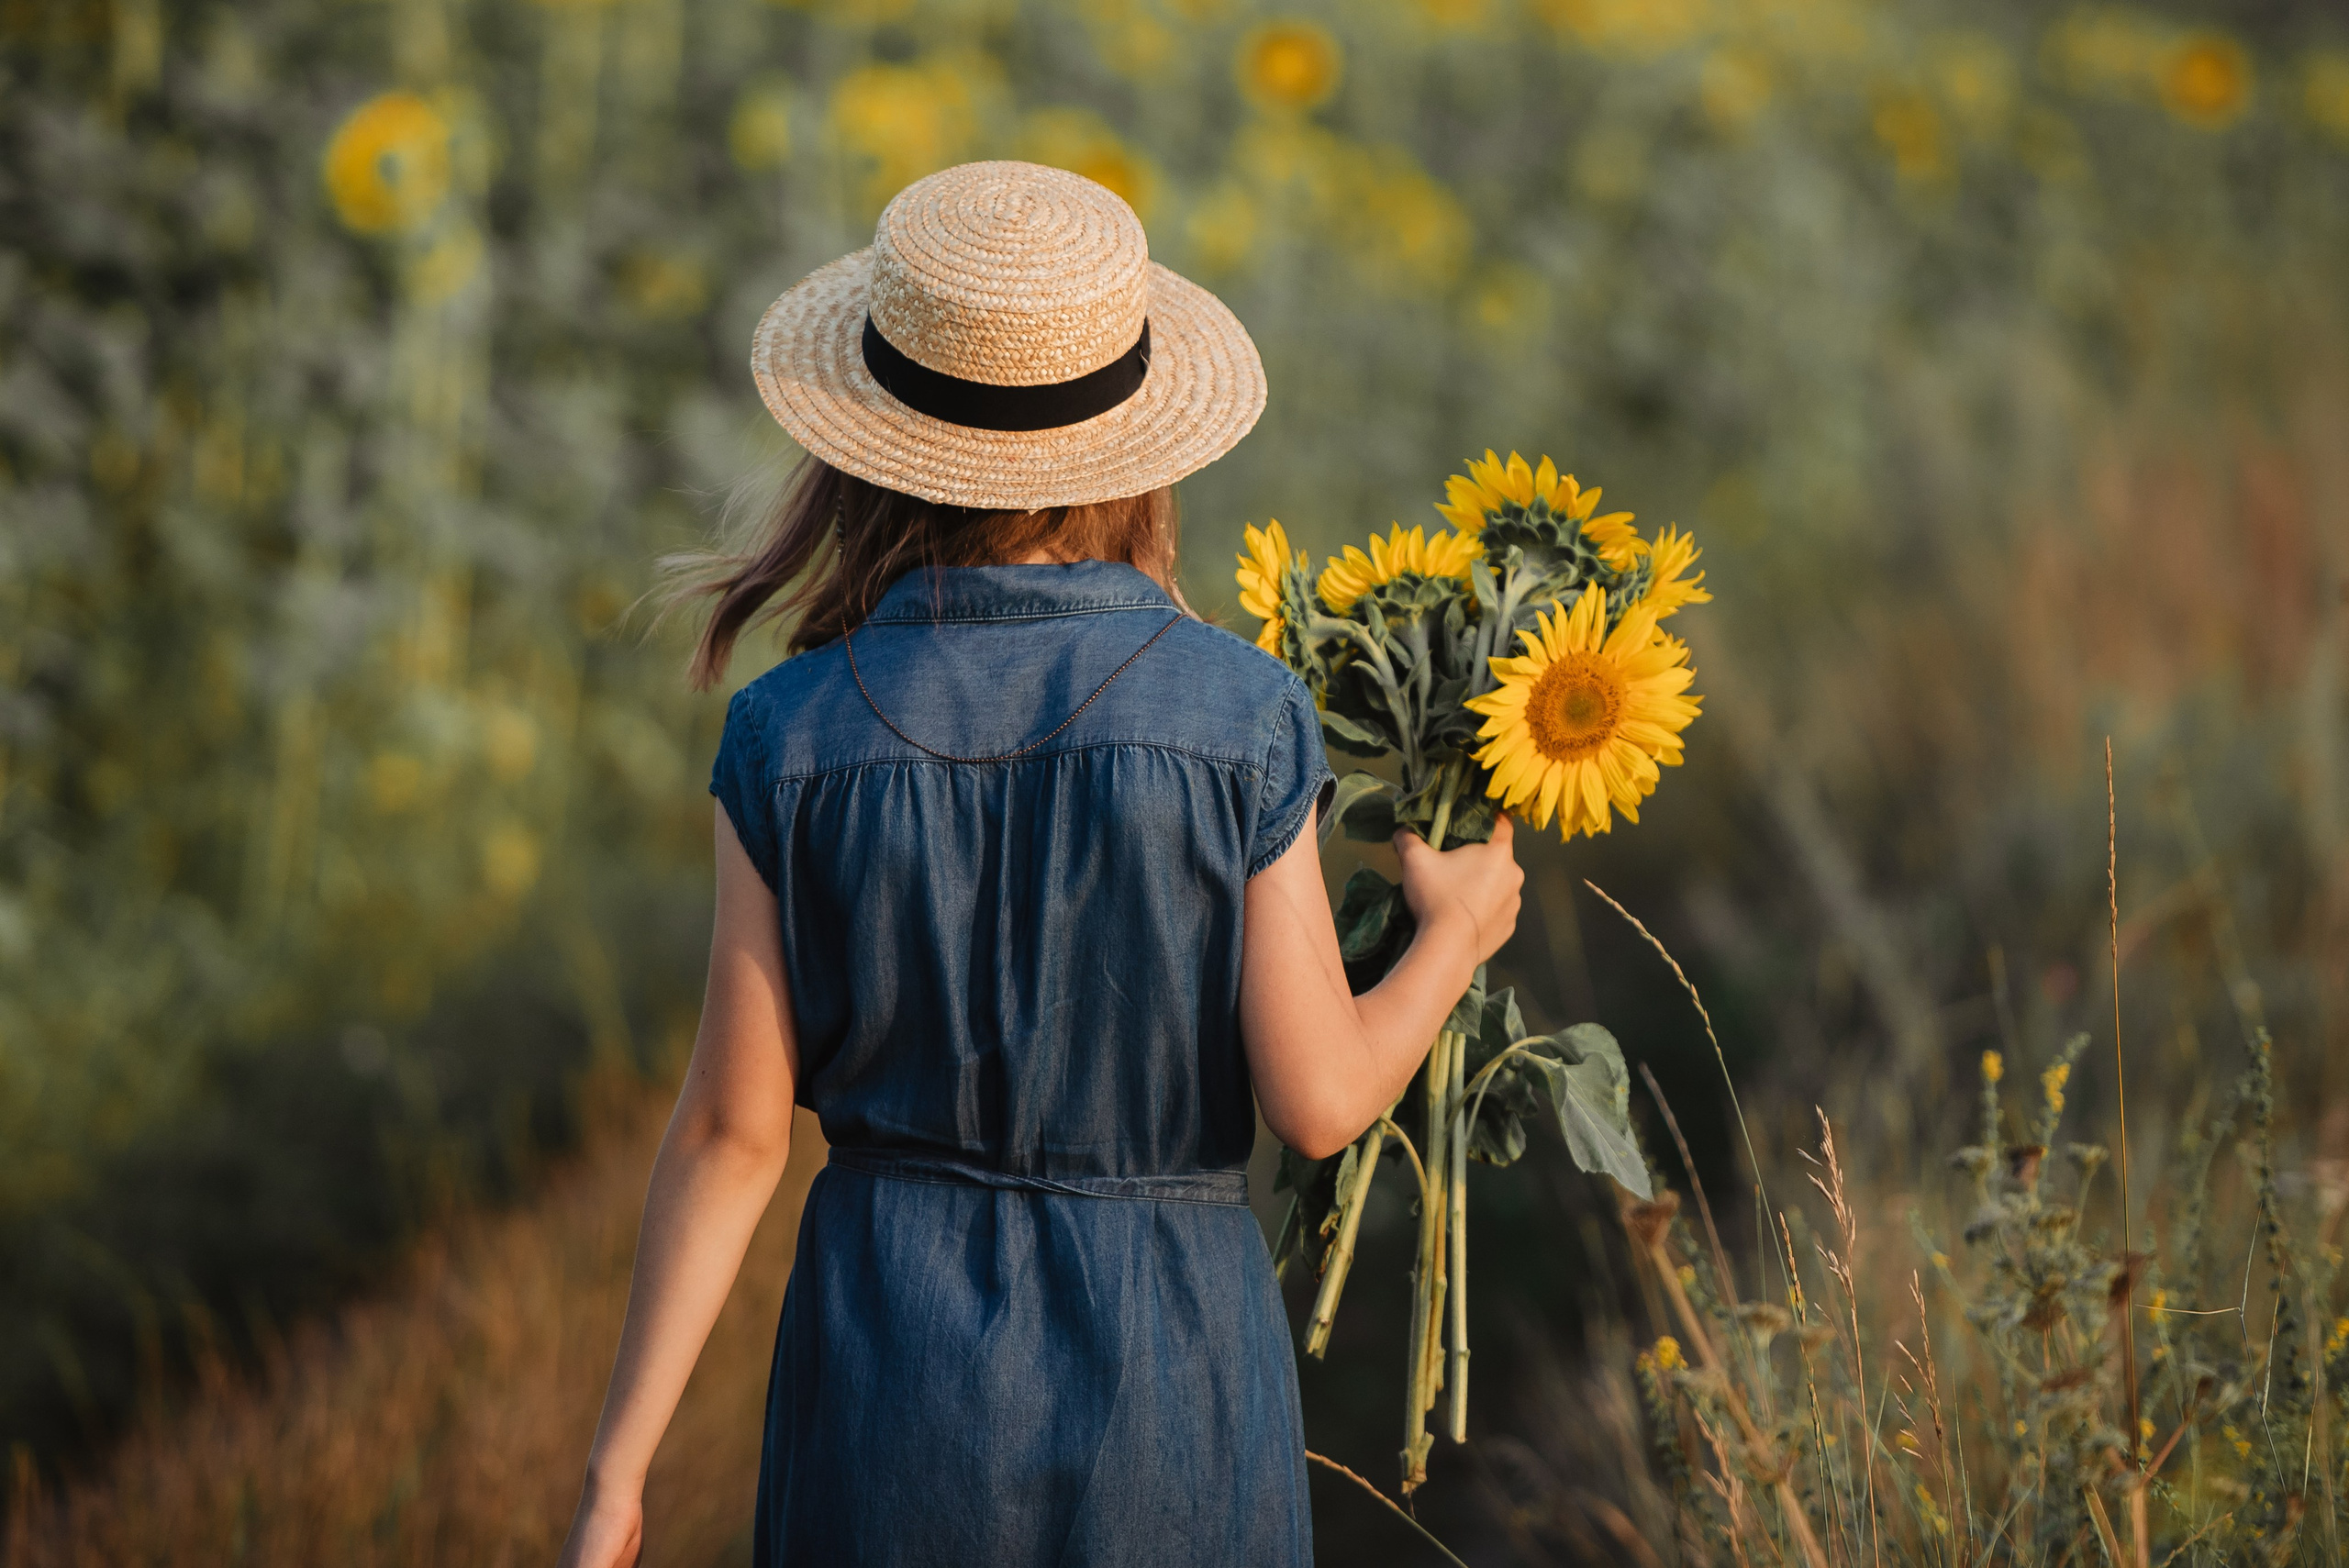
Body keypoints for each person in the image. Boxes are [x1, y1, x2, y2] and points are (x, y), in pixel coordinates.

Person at [557, 161, 1521, 1568]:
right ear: (1139, 439)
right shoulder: (1242, 714)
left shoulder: (786, 734)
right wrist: (1455, 934)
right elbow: (1319, 1100)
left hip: (887, 1379)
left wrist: (615, 1473)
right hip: (1169, 1384)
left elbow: (733, 1136)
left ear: (874, 440)